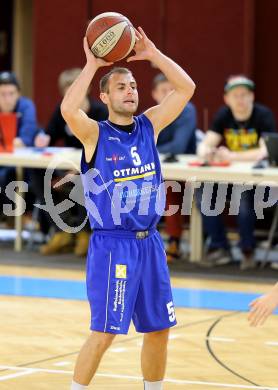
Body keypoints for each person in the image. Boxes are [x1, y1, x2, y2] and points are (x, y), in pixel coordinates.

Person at [61, 27, 195, 390]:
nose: (130, 90)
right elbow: (68, 109)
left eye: (133, 85)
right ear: (104, 96)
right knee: (104, 332)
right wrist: (91, 65)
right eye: (121, 86)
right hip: (113, 245)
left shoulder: (149, 126)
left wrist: (153, 54)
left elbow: (186, 88)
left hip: (149, 243)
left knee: (159, 329)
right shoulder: (94, 134)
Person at [196, 75, 276, 270]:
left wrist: (231, 156)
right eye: (235, 95)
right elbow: (205, 144)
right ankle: (219, 247)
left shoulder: (263, 115)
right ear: (227, 98)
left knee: (244, 199)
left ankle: (248, 250)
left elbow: (264, 151)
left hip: (259, 182)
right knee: (202, 193)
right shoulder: (224, 115)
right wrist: (208, 153)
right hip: (231, 177)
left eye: (244, 95)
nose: (240, 99)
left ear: (252, 97)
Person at [30, 68, 108, 256]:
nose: (71, 94)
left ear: (87, 89)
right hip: (67, 167)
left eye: (75, 89)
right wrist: (42, 138)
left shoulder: (99, 111)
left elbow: (105, 147)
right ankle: (61, 230)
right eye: (67, 90)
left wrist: (76, 170)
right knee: (34, 171)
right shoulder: (62, 110)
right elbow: (49, 133)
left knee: (83, 179)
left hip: (95, 168)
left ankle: (84, 233)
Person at [152, 73, 197, 261]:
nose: (169, 94)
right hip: (162, 168)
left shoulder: (186, 110)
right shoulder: (153, 112)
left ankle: (174, 242)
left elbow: (178, 147)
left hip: (188, 172)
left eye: (172, 90)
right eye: (164, 91)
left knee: (169, 188)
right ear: (154, 94)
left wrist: (149, 150)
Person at [0, 71, 38, 217]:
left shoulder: (26, 106)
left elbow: (25, 140)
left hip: (19, 164)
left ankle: (12, 218)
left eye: (11, 93)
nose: (7, 99)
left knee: (5, 176)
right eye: (3, 94)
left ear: (18, 94)